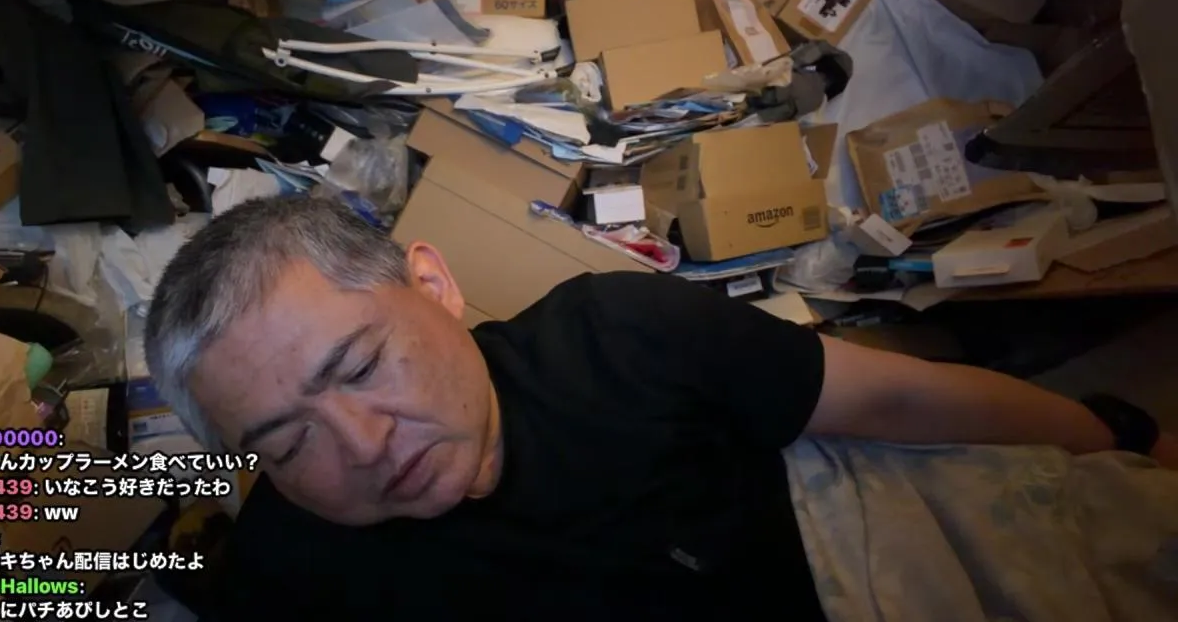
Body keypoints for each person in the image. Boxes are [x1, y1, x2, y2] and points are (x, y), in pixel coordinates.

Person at [143, 196, 1177, 621]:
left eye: (362, 365)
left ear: (433, 285)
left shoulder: (621, 336)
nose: (362, 447)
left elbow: (896, 396)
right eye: (287, 444)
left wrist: (1114, 433)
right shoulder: (290, 570)